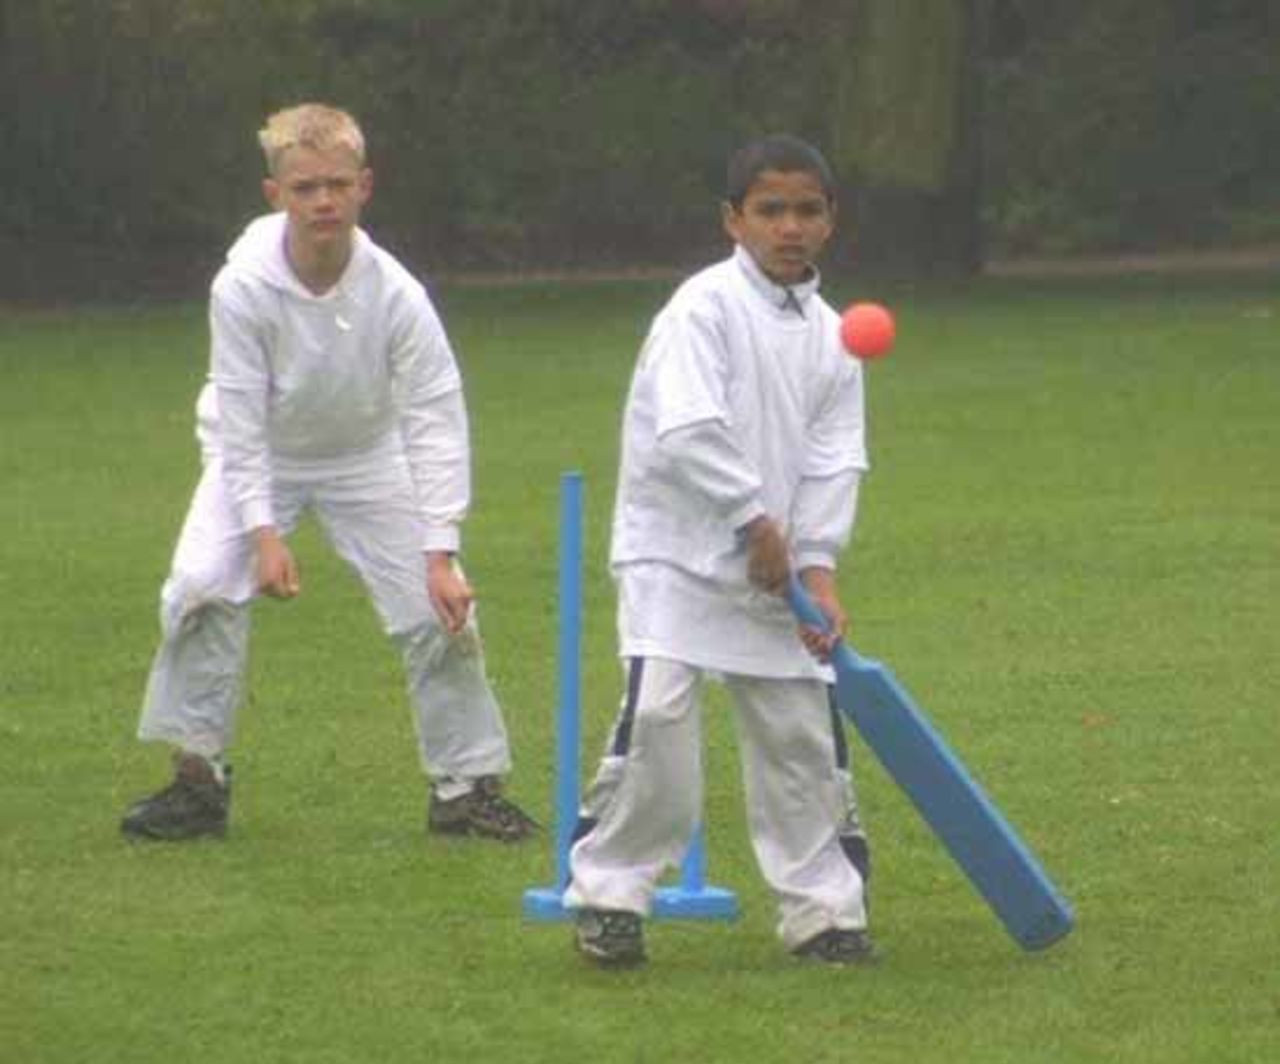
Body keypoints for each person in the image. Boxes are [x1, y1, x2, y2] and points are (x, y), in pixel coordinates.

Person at [120, 103, 536, 844]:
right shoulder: (241, 287)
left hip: (367, 456)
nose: (323, 201)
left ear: (364, 186)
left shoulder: (398, 294)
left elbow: (436, 415)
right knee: (200, 589)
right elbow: (241, 418)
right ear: (275, 193)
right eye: (305, 187)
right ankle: (197, 782)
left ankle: (465, 790)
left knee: (442, 613)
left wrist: (439, 551)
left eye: (337, 185)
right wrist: (262, 533)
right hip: (258, 455)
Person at [564, 134, 873, 967]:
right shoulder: (699, 309)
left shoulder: (836, 336)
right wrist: (752, 522)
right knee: (657, 719)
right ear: (733, 220)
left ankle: (825, 913)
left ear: (830, 220)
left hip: (777, 569)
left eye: (806, 210)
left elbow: (835, 458)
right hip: (674, 552)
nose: (789, 227)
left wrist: (816, 568)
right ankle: (610, 897)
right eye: (770, 210)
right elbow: (689, 428)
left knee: (799, 735)